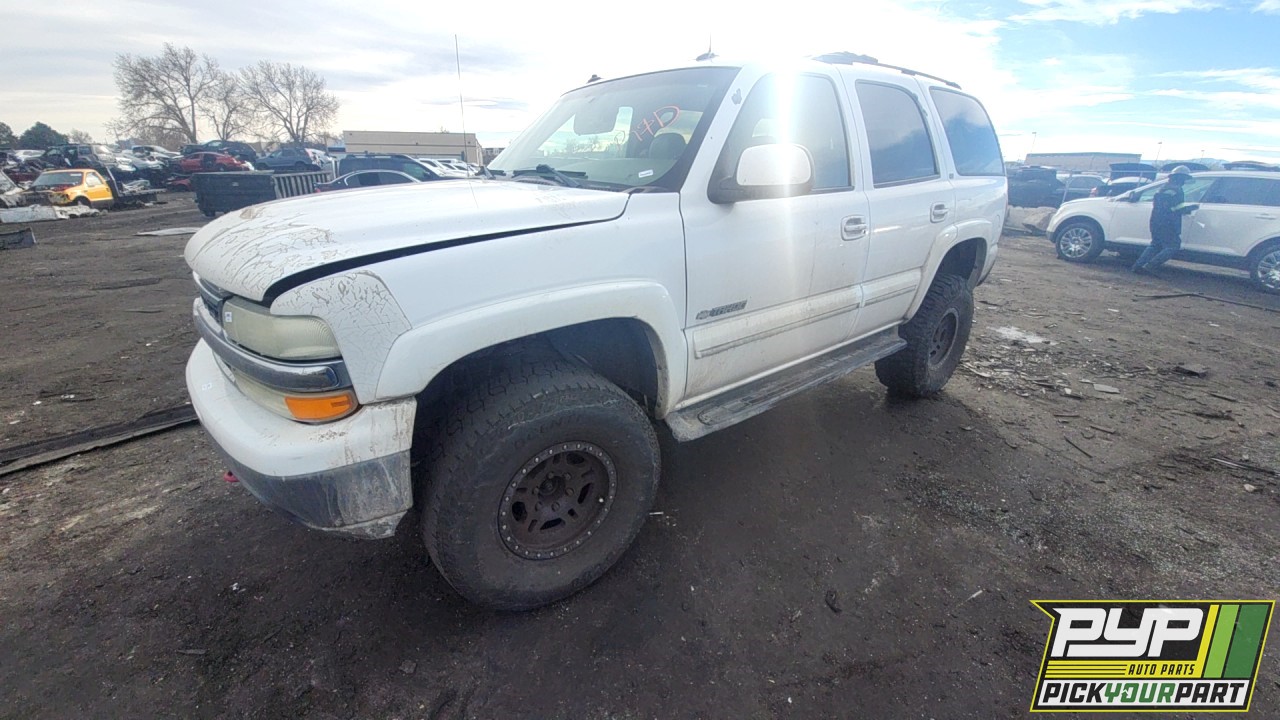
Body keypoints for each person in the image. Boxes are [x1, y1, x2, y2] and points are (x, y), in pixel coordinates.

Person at [1132, 166, 1197, 274]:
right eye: (1184, 179)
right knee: (1173, 246)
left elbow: (1165, 206)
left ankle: (1138, 266)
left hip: (1156, 220)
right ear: (1180, 178)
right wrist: (1190, 208)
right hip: (1168, 223)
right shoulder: (1176, 190)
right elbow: (1175, 208)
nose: (1184, 182)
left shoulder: (1163, 188)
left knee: (1155, 244)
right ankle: (1150, 266)